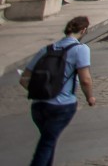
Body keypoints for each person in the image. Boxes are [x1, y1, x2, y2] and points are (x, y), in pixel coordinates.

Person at [21, 15, 95, 166]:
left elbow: (24, 79)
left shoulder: (46, 49)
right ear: (83, 30)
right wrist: (90, 98)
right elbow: (85, 79)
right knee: (47, 143)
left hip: (38, 106)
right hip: (62, 105)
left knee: (48, 141)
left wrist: (42, 90)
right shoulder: (80, 49)